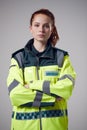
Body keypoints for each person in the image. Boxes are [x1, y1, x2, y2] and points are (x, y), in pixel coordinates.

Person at [7, 8, 76, 130]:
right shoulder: (18, 58)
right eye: (37, 25)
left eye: (46, 26)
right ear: (31, 28)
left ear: (52, 29)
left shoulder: (62, 58)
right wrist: (52, 98)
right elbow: (15, 95)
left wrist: (33, 85)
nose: (41, 29)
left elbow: (66, 89)